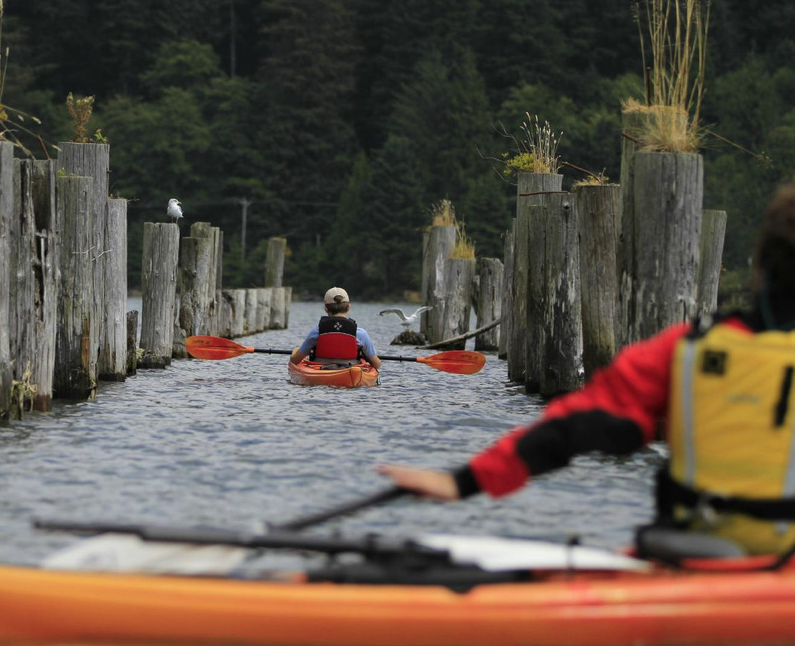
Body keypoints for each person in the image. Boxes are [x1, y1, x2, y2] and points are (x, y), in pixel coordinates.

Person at [378, 185, 795, 557]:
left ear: (760, 267)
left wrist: (463, 483)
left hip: (693, 554)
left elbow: (574, 426)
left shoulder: (687, 350)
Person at [291, 287, 382, 370]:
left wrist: (295, 351)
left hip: (320, 370)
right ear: (349, 307)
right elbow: (376, 364)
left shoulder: (317, 331)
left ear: (326, 308)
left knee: (297, 350)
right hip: (351, 371)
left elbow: (295, 360)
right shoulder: (360, 333)